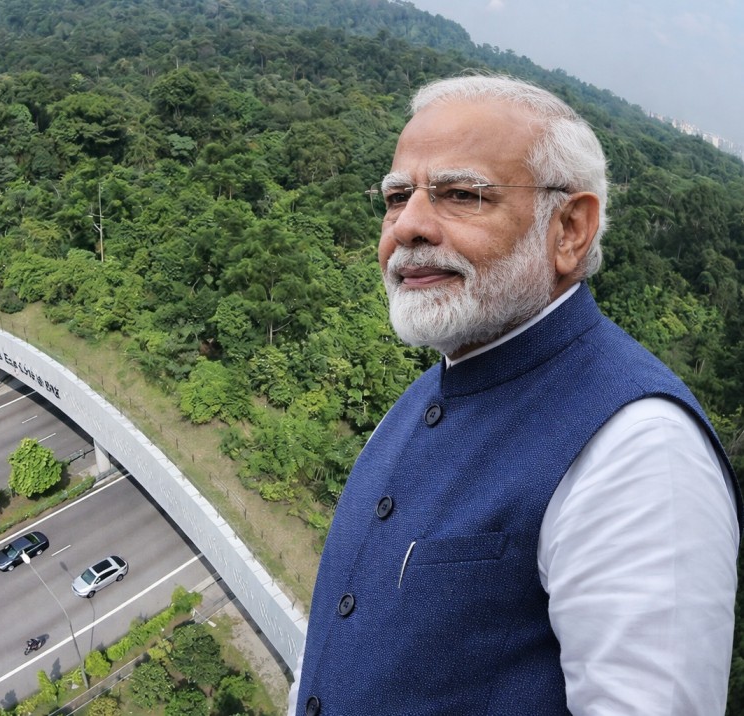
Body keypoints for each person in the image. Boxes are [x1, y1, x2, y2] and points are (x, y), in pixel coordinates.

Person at [291, 74, 742, 716]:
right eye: (397, 197)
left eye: (460, 194)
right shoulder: (428, 391)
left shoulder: (641, 451)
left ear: (569, 229)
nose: (408, 226)